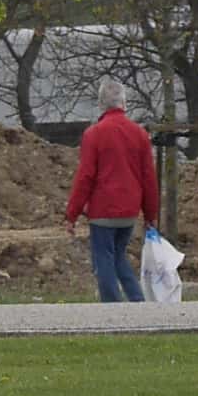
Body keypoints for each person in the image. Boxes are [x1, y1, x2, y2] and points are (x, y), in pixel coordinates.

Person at [65, 93, 160, 304]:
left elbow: (85, 176)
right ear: (124, 104)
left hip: (102, 209)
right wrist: (150, 214)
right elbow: (148, 177)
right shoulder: (140, 134)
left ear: (101, 105)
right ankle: (137, 301)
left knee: (103, 259)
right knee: (118, 256)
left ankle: (112, 308)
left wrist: (72, 214)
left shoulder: (94, 134)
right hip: (129, 210)